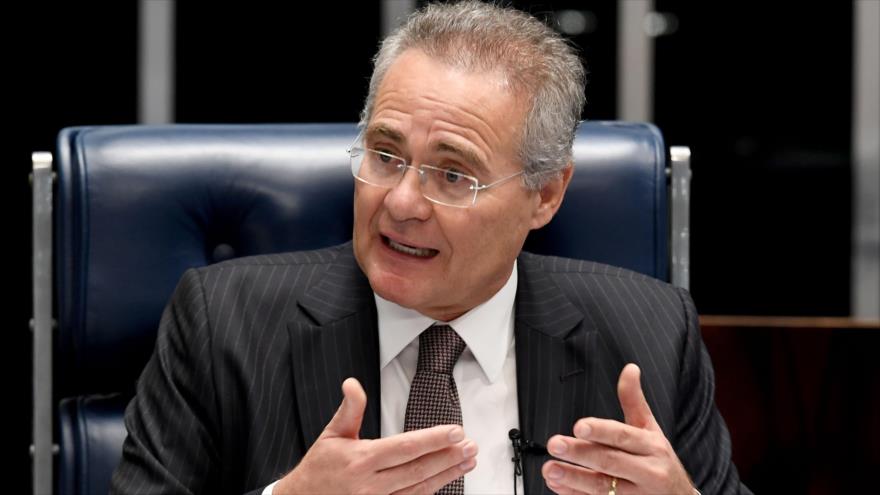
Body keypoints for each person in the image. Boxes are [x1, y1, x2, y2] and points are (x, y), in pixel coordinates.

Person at [111, 1, 750, 494]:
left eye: (453, 175)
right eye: (385, 156)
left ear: (545, 195)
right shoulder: (222, 323)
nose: (401, 203)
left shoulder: (650, 336)